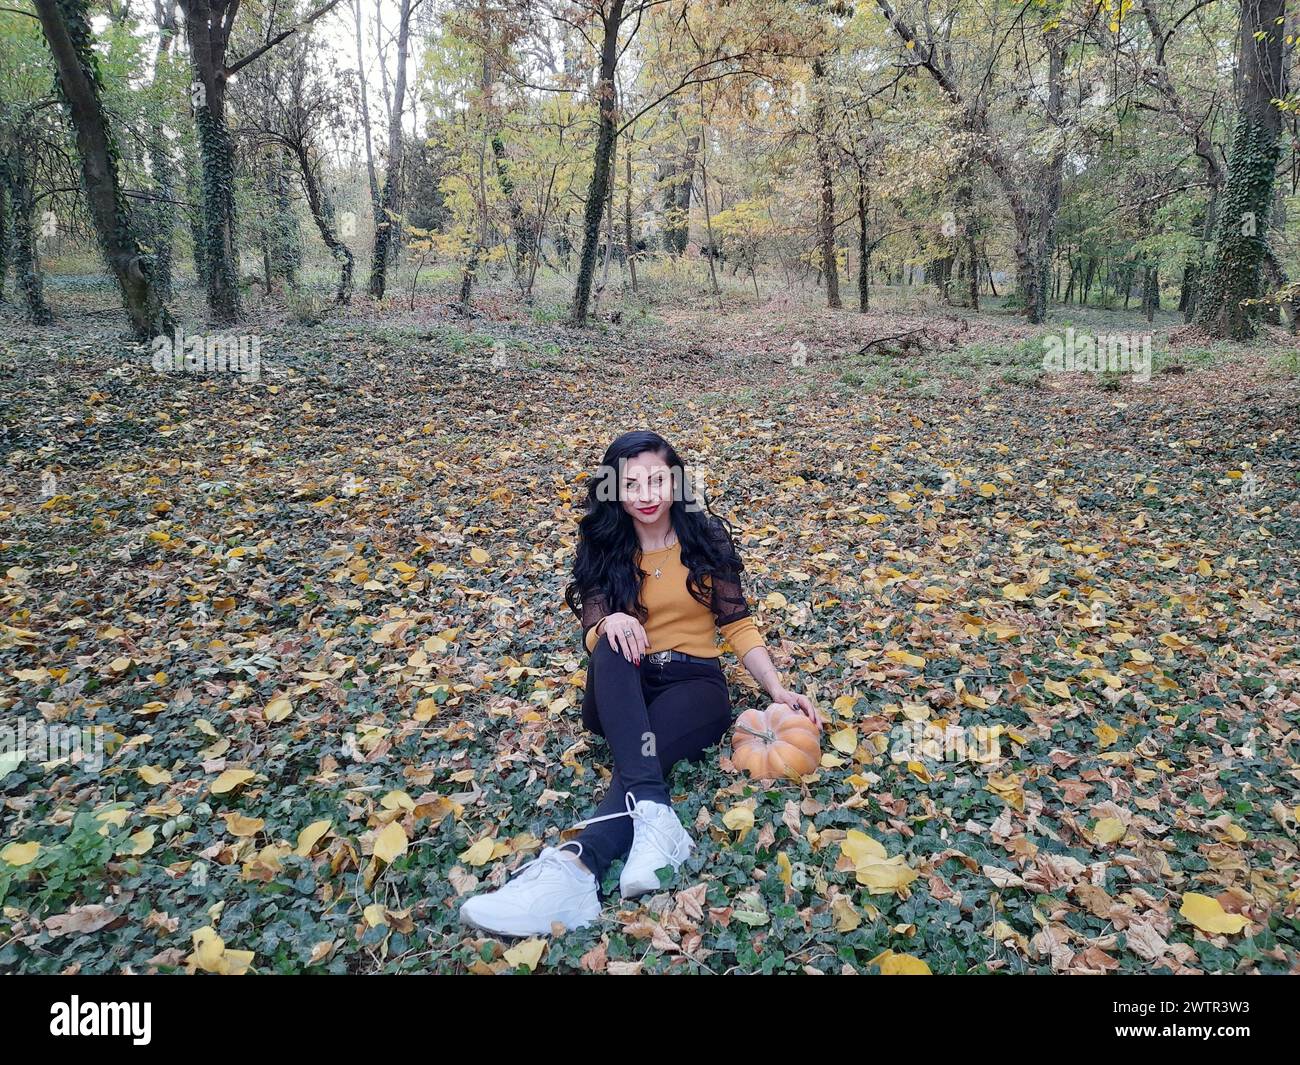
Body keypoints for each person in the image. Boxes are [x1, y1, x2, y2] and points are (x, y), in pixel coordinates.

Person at [458, 430, 821, 937]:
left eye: (657, 480)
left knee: (639, 759)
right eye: (632, 484)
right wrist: (608, 623)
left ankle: (575, 868)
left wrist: (776, 690)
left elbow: (737, 624)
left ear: (675, 481)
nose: (646, 495)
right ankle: (654, 818)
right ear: (613, 489)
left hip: (693, 687)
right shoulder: (605, 542)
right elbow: (593, 622)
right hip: (622, 684)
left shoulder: (704, 537)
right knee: (612, 636)